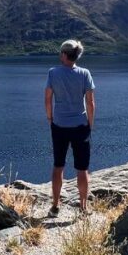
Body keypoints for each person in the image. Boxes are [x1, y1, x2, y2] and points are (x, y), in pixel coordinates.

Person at [44, 39, 95, 216]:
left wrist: (50, 118)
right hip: (80, 126)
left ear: (64, 55)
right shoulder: (85, 73)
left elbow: (48, 98)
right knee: (82, 169)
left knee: (58, 166)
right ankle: (83, 208)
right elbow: (90, 102)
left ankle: (56, 206)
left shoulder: (53, 73)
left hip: (59, 126)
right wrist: (90, 124)